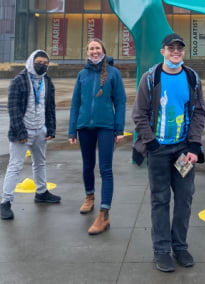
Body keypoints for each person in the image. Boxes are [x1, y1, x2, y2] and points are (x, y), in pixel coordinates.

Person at [132, 33, 205, 272]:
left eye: (180, 49)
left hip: (183, 151)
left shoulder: (192, 78)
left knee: (184, 199)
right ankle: (162, 250)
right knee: (160, 200)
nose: (176, 53)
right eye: (171, 49)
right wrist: (151, 142)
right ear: (162, 51)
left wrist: (194, 145)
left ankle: (180, 246)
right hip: (158, 150)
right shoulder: (150, 78)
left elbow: (199, 113)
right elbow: (139, 114)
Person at [68, 38, 126, 235]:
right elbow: (75, 103)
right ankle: (89, 197)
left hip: (106, 127)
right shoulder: (82, 75)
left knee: (106, 169)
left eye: (97, 48)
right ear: (87, 52)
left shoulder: (113, 73)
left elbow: (121, 102)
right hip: (84, 127)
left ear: (103, 50)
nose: (94, 51)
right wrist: (71, 130)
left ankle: (104, 213)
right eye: (91, 48)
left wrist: (119, 130)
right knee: (87, 165)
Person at [0, 50, 60, 220]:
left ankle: (41, 192)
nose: (42, 65)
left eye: (45, 63)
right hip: (22, 132)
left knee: (40, 163)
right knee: (15, 166)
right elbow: (13, 109)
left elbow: (50, 107)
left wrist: (51, 129)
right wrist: (20, 132)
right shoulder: (19, 81)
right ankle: (5, 202)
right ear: (31, 61)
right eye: (39, 61)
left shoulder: (47, 81)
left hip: (40, 130)